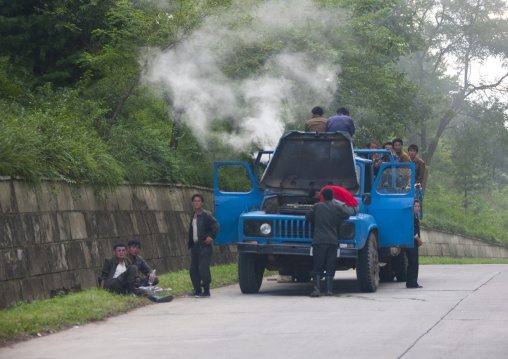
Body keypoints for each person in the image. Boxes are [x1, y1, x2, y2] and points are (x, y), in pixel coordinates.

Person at [305, 188, 351, 297]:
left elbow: (308, 217)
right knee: (330, 265)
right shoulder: (337, 207)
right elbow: (347, 215)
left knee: (318, 265)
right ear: (333, 196)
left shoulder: (317, 207)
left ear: (323, 197)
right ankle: (329, 291)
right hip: (332, 241)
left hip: (319, 240)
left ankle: (316, 290)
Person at [99, 243, 173, 303]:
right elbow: (103, 276)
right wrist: (102, 291)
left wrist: (137, 279)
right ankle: (130, 292)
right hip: (114, 283)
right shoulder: (109, 260)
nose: (121, 252)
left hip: (126, 285)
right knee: (133, 267)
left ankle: (157, 298)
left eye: (123, 250)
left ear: (125, 252)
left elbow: (144, 271)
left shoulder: (127, 260)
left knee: (143, 290)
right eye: (119, 251)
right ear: (114, 252)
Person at [188, 193, 220, 298]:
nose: (196, 203)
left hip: (204, 246)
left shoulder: (206, 214)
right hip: (195, 246)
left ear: (202, 203)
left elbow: (216, 225)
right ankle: (197, 290)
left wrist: (210, 237)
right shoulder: (193, 215)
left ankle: (206, 291)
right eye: (194, 201)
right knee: (193, 269)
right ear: (192, 203)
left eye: (198, 201)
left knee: (203, 268)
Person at [406, 200, 423, 289]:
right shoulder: (411, 217)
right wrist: (418, 240)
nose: (417, 208)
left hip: (413, 243)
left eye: (418, 206)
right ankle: (412, 282)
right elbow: (412, 231)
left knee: (412, 263)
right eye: (415, 206)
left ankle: (410, 282)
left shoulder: (414, 217)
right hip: (411, 243)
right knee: (413, 262)